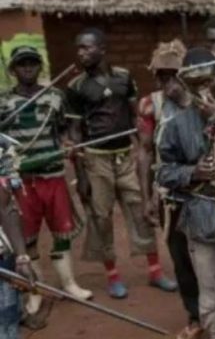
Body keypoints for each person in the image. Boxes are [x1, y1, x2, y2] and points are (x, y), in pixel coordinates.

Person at [136, 41, 215, 339]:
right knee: (210, 296)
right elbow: (163, 171)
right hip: (201, 220)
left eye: (207, 81)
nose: (203, 89)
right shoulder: (176, 121)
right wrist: (191, 173)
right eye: (194, 85)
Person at [65, 28, 175, 299]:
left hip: (126, 156)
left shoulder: (124, 78)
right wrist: (82, 175)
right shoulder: (75, 87)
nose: (81, 53)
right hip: (95, 159)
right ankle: (112, 276)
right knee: (101, 217)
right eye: (78, 48)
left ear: (102, 49)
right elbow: (75, 133)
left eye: (86, 47)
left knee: (142, 210)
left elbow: (136, 119)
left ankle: (155, 271)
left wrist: (146, 155)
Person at [0, 46, 91, 328]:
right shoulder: (4, 102)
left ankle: (69, 284)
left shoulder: (55, 96)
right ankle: (35, 290)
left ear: (40, 67)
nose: (28, 68)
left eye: (32, 63)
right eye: (22, 64)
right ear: (13, 70)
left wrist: (67, 144)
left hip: (53, 175)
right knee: (26, 236)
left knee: (61, 230)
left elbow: (63, 131)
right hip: (21, 181)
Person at [0, 135, 37, 338]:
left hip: (2, 256)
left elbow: (6, 206)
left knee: (7, 323)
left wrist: (22, 258)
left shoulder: (2, 146)